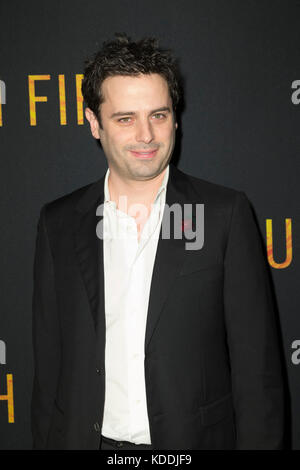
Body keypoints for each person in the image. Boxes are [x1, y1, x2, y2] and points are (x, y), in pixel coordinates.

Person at [31, 33, 285, 450]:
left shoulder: (224, 214)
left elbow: (257, 376)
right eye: (125, 118)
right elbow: (48, 370)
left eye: (159, 115)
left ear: (175, 118)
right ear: (94, 123)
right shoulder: (58, 223)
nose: (146, 136)